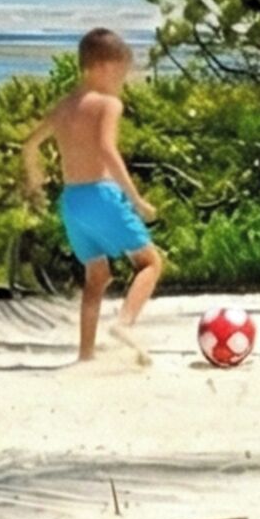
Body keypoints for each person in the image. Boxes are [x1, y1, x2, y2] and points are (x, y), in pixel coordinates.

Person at [27, 27, 164, 365]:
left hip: (72, 201)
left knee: (97, 276)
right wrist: (135, 198)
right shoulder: (108, 104)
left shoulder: (64, 107)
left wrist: (35, 177)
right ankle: (124, 324)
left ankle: (85, 355)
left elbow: (30, 144)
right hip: (102, 194)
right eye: (121, 73)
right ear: (103, 67)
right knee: (150, 263)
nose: (123, 81)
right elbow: (106, 150)